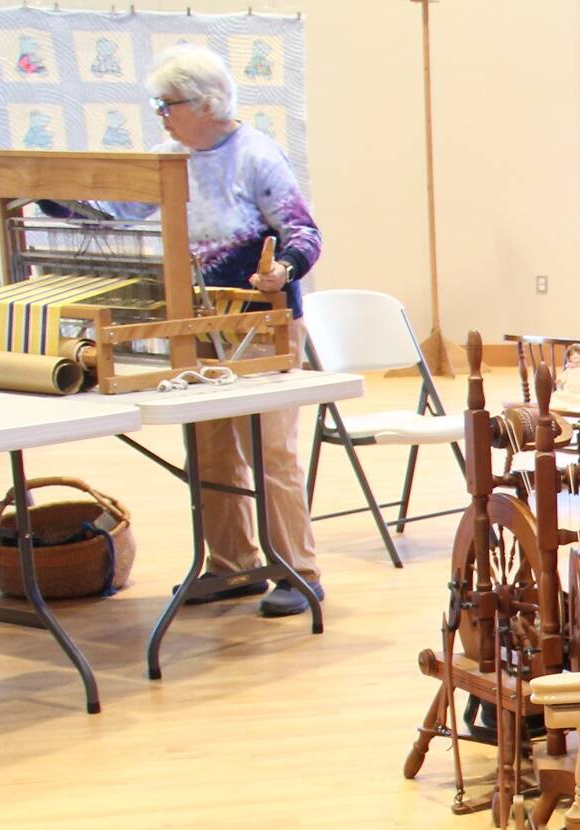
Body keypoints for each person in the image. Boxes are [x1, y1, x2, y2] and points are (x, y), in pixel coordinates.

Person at [136, 47, 325, 617]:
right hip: (197, 322)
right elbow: (113, 205)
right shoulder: (168, 158)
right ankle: (234, 565)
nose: (161, 116)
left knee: (269, 450)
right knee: (210, 446)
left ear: (204, 103)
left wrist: (281, 270)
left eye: (165, 105)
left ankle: (299, 571)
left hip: (260, 323)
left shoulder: (256, 156)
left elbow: (304, 232)